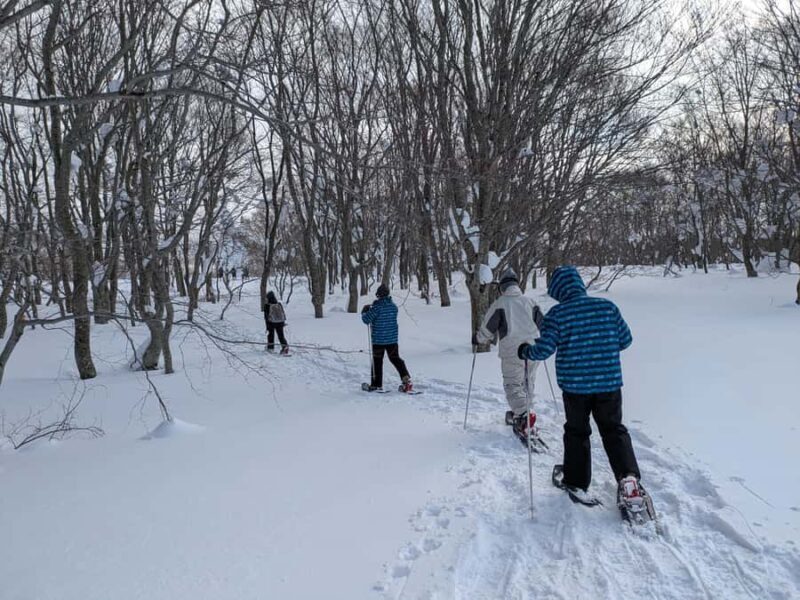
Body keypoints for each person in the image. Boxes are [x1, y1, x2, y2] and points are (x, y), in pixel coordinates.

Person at [517, 265, 643, 506]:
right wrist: (601, 345)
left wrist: (525, 351)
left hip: (575, 388)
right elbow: (625, 340)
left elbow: (544, 350)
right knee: (614, 430)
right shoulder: (607, 307)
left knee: (577, 432)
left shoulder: (558, 314)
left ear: (558, 290)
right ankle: (628, 479)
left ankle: (576, 481)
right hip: (609, 384)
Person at [474, 269, 544, 439]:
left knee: (513, 385)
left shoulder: (500, 304)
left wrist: (478, 338)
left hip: (512, 351)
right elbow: (544, 324)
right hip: (533, 349)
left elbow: (487, 330)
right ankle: (524, 412)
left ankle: (524, 414)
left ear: (502, 287)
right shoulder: (530, 302)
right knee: (528, 383)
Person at [361, 284, 413, 392]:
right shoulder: (393, 307)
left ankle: (376, 384)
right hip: (392, 340)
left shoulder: (377, 308)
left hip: (378, 341)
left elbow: (366, 320)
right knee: (395, 358)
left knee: (377, 361)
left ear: (378, 295)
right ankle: (406, 379)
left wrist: (365, 312)